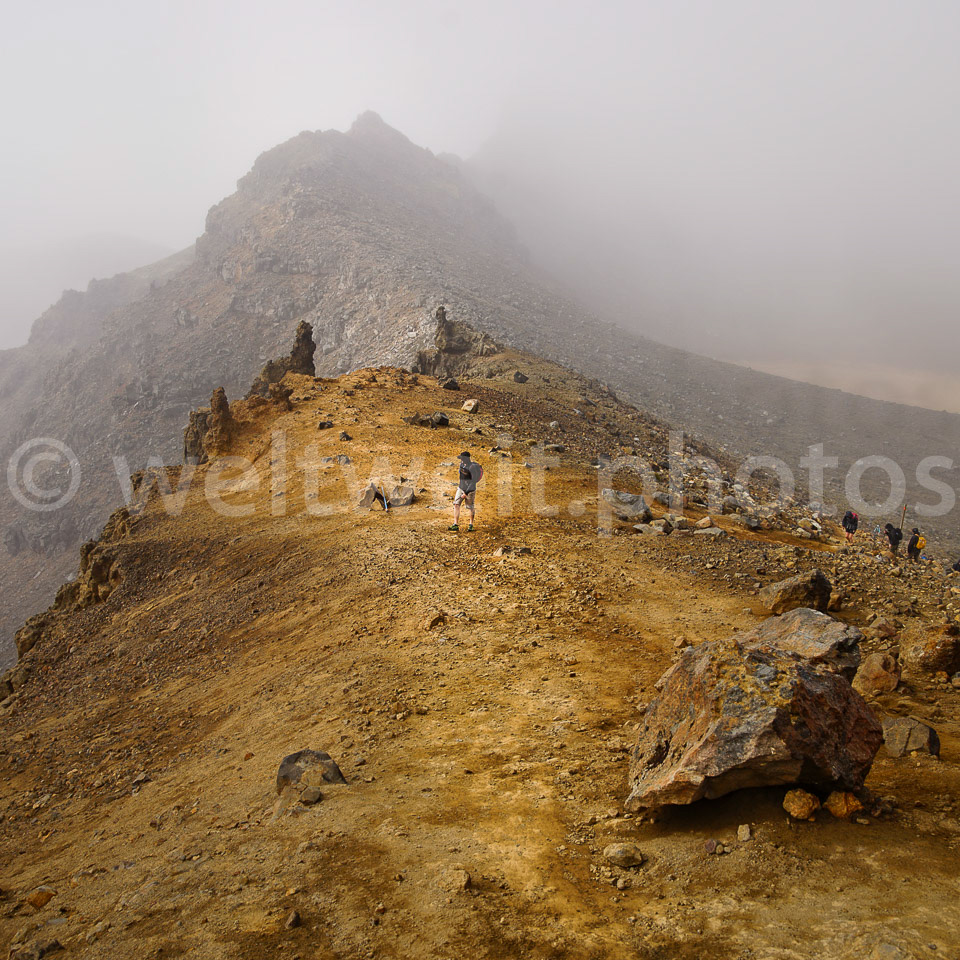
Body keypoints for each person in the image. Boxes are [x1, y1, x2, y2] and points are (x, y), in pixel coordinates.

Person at [449, 451, 482, 532]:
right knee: (456, 504)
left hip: (470, 490)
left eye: (462, 458)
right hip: (461, 488)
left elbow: (473, 481)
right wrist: (461, 488)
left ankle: (471, 525)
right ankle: (455, 524)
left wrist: (466, 493)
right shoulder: (462, 465)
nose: (461, 460)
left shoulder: (472, 468)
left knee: (470, 507)